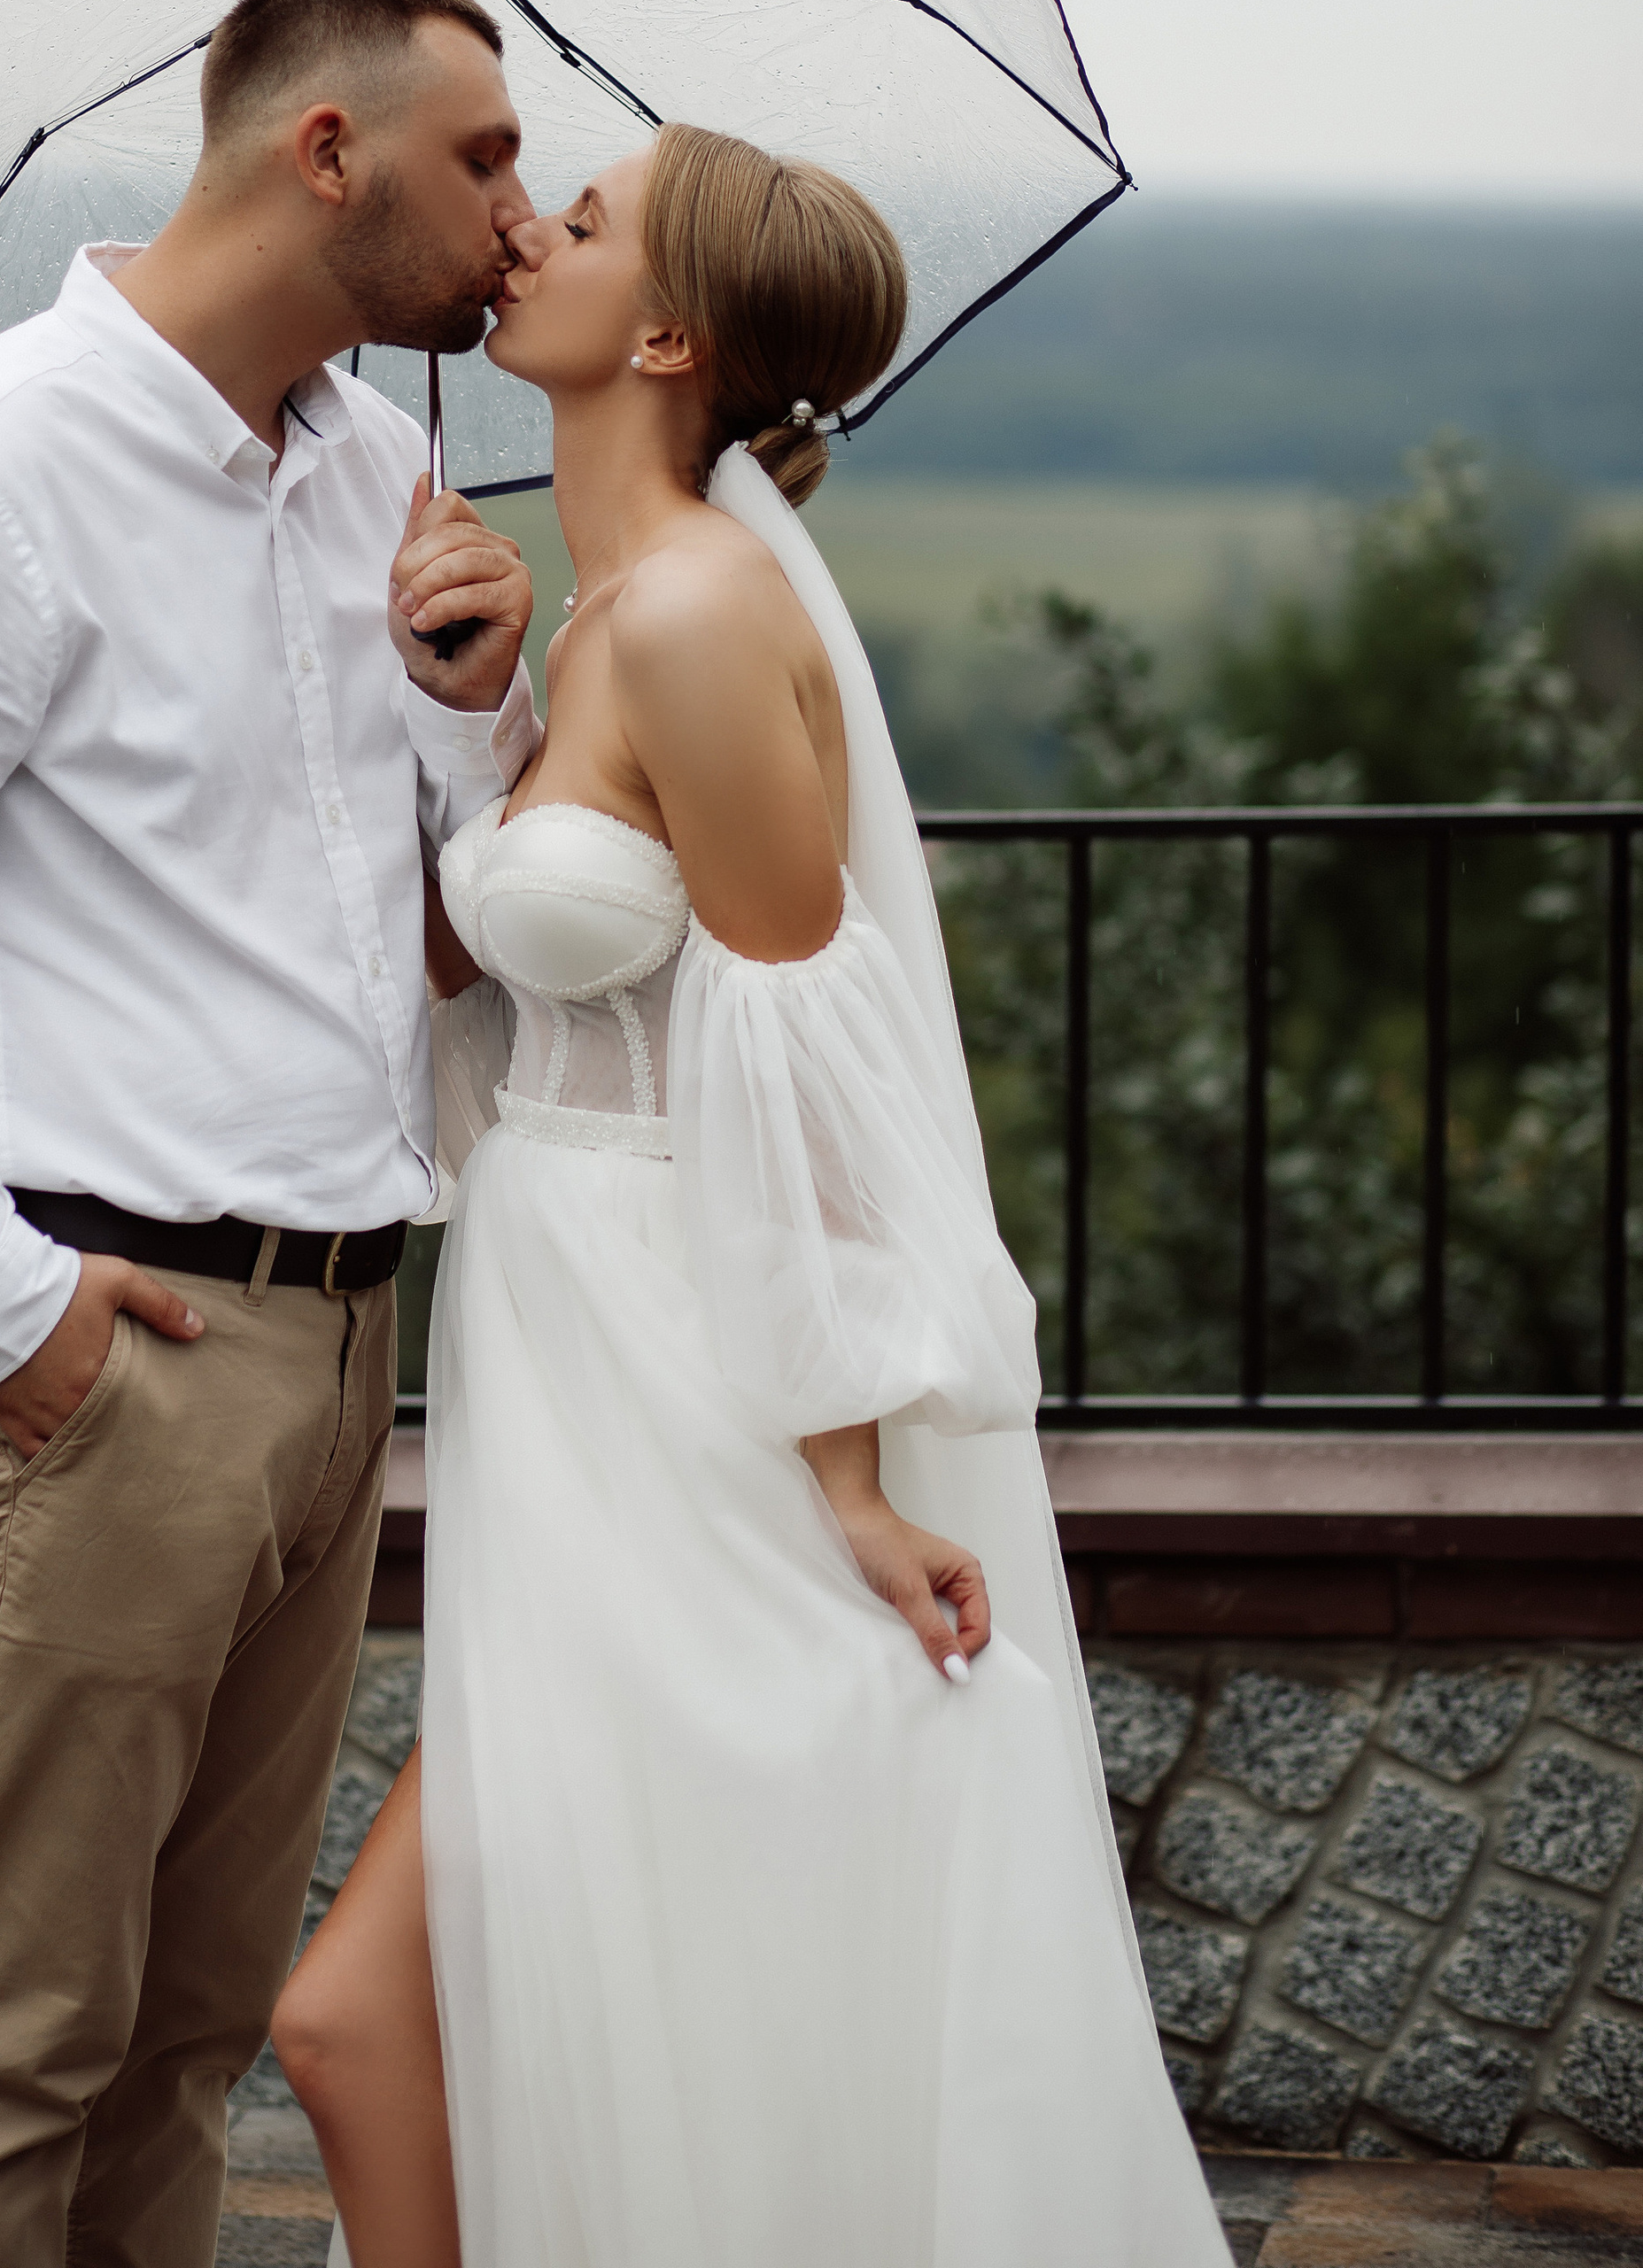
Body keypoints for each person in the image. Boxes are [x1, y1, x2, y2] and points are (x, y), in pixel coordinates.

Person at [272, 124, 1232, 2268]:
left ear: (675, 335)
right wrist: (466, 717)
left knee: (356, 2018)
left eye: (584, 223)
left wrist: (852, 1474)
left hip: (681, 1368)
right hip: (561, 1350)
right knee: (502, 2002)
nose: (530, 229)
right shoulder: (612, 611)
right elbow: (501, 983)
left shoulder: (700, 615)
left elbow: (802, 1059)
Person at [0, 0, 543, 2268]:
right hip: (99, 1355)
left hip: (341, 1346)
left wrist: (478, 706)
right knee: (8, 2048)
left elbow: (437, 937)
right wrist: (11, 1314)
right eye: (483, 158)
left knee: (187, 2040)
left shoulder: (384, 475)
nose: (519, 214)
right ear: (323, 150)